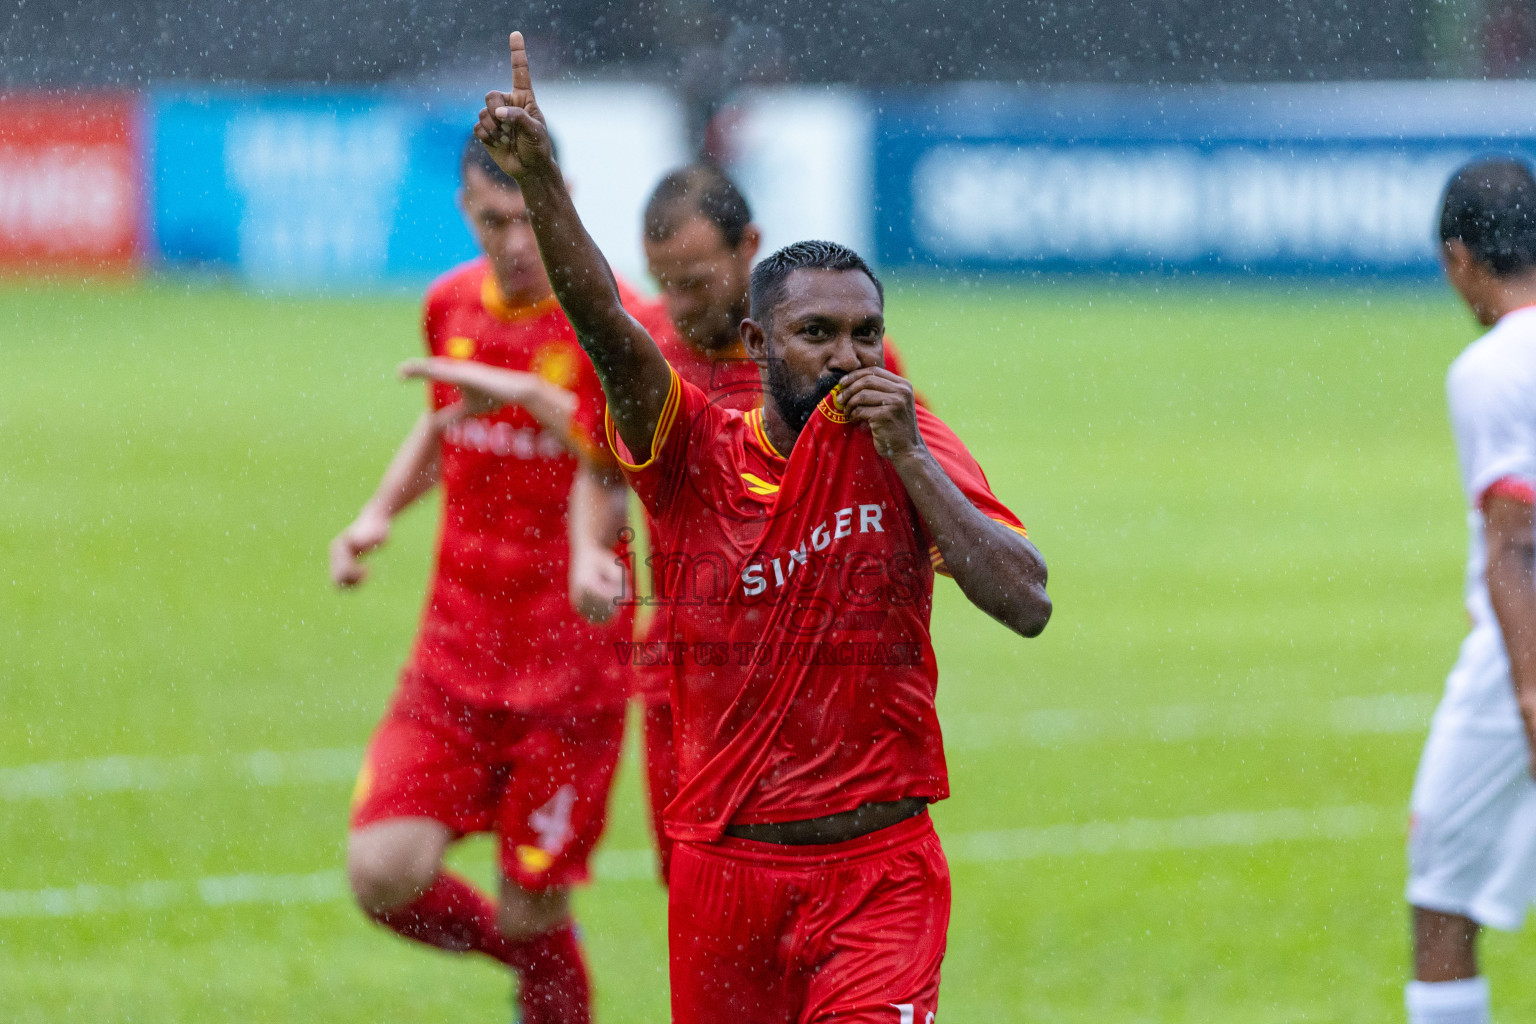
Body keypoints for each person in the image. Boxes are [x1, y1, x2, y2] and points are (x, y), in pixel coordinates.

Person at [473, 34, 1052, 1022]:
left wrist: (912, 461)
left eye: (864, 333)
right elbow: (606, 323)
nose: (847, 356)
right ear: (758, 341)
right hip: (726, 875)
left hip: (880, 872)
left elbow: (1027, 600)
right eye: (816, 335)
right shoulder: (693, 444)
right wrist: (542, 188)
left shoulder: (905, 435)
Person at [329, 135, 657, 1024]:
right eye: (490, 219)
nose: (512, 240)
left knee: (530, 902)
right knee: (384, 874)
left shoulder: (615, 321)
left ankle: (544, 961)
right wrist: (377, 515)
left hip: (569, 671)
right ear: (466, 210)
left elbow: (615, 462)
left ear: (562, 200)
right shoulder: (449, 303)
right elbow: (443, 422)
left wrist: (595, 551)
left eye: (526, 218)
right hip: (453, 657)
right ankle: (546, 962)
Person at [636, 162, 921, 880]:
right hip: (687, 669)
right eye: (662, 280)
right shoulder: (646, 350)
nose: (676, 302)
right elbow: (596, 463)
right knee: (697, 884)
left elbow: (911, 473)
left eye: (695, 280)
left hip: (817, 670)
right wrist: (586, 542)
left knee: (814, 866)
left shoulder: (838, 355)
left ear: (747, 246)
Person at [1406, 156, 1536, 1024]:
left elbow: (1519, 540)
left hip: (1514, 667)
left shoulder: (1493, 368)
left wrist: (1528, 690)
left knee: (1441, 892)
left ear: (1460, 257)